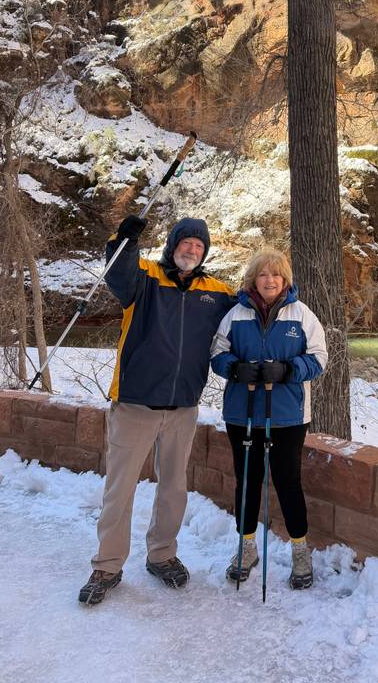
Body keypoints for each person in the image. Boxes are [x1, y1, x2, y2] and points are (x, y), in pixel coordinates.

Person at [78, 215, 235, 605]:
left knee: (173, 488)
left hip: (183, 407)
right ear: (173, 245)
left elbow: (253, 308)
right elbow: (117, 272)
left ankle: (162, 555)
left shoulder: (215, 292)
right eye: (186, 243)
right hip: (135, 403)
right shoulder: (145, 278)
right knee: (120, 489)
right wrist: (125, 239)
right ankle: (108, 565)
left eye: (199, 246)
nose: (192, 250)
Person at [210, 247, 327, 589]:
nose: (270, 280)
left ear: (285, 279)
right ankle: (246, 548)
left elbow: (319, 357)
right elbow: (217, 352)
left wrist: (289, 369)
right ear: (253, 279)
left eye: (276, 274)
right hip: (242, 412)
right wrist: (234, 368)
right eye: (263, 274)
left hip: (287, 415)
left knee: (288, 483)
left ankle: (300, 552)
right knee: (247, 481)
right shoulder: (235, 315)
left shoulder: (302, 314)